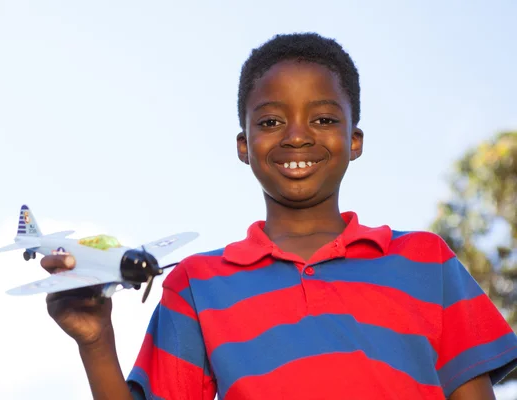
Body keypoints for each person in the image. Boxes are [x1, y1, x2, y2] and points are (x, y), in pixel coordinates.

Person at [40, 33, 517, 399]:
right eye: (270, 121)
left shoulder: (425, 261)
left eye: (324, 119)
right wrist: (96, 342)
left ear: (355, 140)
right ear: (244, 147)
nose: (295, 136)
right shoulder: (196, 283)